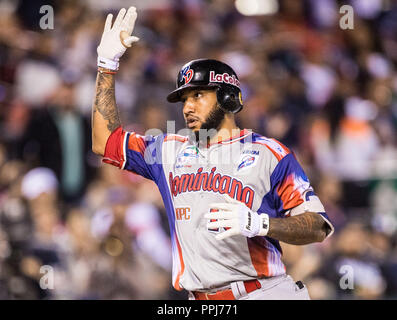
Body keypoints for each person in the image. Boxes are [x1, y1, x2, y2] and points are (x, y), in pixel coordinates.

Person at [91, 7, 334, 300]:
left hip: (263, 293)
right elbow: (105, 142)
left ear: (228, 97)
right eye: (183, 98)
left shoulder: (269, 153)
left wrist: (260, 224)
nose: (187, 107)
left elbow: (317, 227)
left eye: (197, 95)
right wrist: (107, 65)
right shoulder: (168, 150)